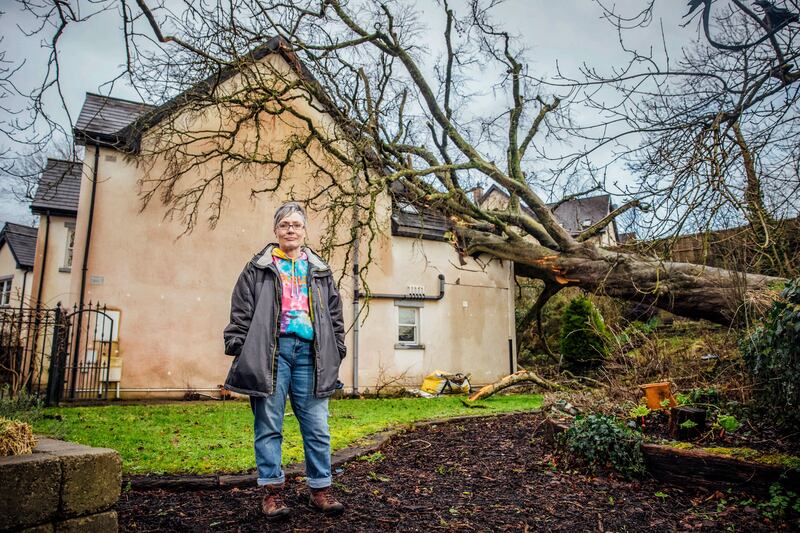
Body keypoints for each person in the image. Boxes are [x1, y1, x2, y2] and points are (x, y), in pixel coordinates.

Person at [223, 201, 346, 520]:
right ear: (276, 230)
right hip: (271, 353)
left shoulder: (319, 270)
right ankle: (273, 494)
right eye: (284, 225)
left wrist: (338, 346)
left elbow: (334, 313)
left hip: (311, 354)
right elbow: (241, 308)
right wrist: (239, 344)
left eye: (296, 225)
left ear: (305, 231)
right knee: (269, 425)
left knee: (317, 426)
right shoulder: (258, 267)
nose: (290, 229)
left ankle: (320, 489)